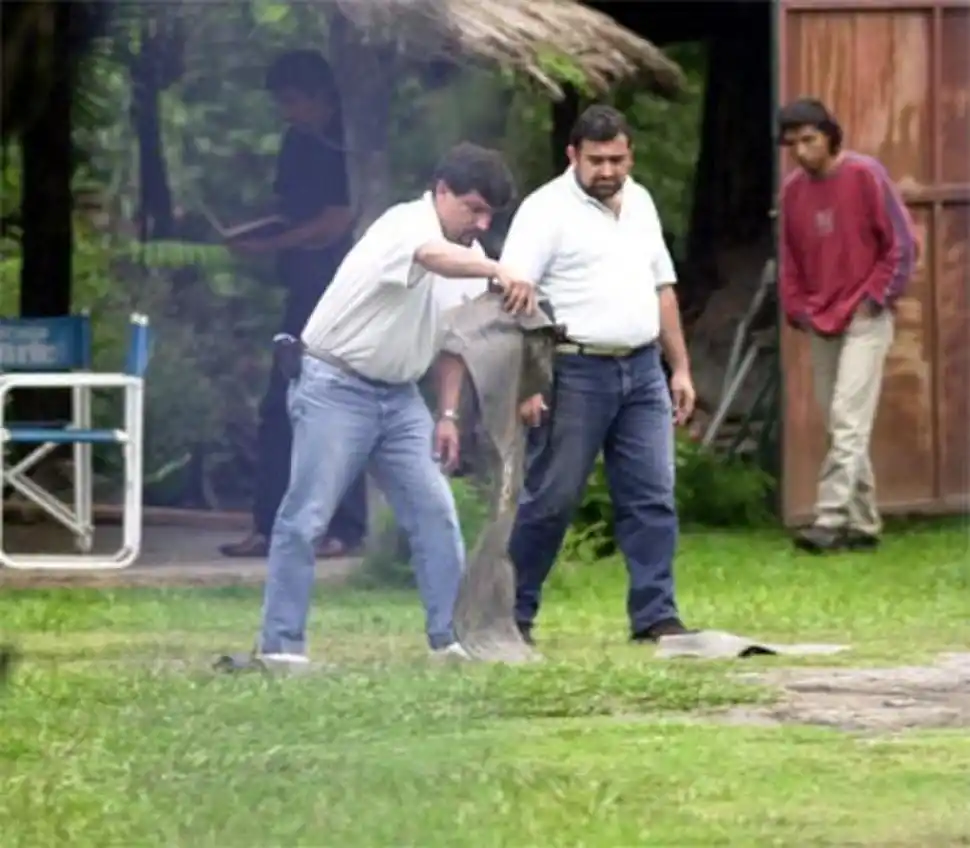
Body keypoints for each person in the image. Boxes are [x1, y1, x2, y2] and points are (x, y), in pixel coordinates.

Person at [255, 142, 536, 667]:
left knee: (436, 512)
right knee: (307, 515)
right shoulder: (404, 225)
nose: (479, 222)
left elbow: (453, 343)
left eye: (488, 214)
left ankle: (450, 641)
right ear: (442, 191)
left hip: (401, 398)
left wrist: (448, 414)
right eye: (471, 208)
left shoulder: (471, 257)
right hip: (334, 383)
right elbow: (430, 257)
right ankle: (280, 647)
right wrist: (499, 270)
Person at [497, 104, 698, 646]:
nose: (607, 171)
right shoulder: (544, 211)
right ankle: (512, 614)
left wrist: (678, 367)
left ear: (630, 154)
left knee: (652, 495)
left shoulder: (642, 203)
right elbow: (519, 302)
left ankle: (656, 615)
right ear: (573, 156)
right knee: (552, 498)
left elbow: (662, 288)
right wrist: (528, 382)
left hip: (641, 368)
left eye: (617, 159)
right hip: (573, 369)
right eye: (596, 160)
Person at [220, 50, 367, 560]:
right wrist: (258, 232)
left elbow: (338, 219)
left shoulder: (349, 142)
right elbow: (289, 211)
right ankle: (268, 524)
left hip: (344, 291)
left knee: (341, 404)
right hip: (303, 290)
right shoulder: (295, 143)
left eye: (293, 100)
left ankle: (342, 527)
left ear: (321, 96)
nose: (287, 111)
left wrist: (275, 244)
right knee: (279, 406)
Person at [778, 99, 917, 554]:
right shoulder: (793, 192)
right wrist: (796, 308)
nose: (800, 150)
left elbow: (901, 244)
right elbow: (791, 260)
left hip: (864, 315)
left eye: (809, 140)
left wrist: (876, 299)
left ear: (830, 136)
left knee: (846, 418)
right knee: (841, 423)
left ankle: (830, 518)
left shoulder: (865, 175)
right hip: (820, 317)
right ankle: (863, 525)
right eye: (792, 143)